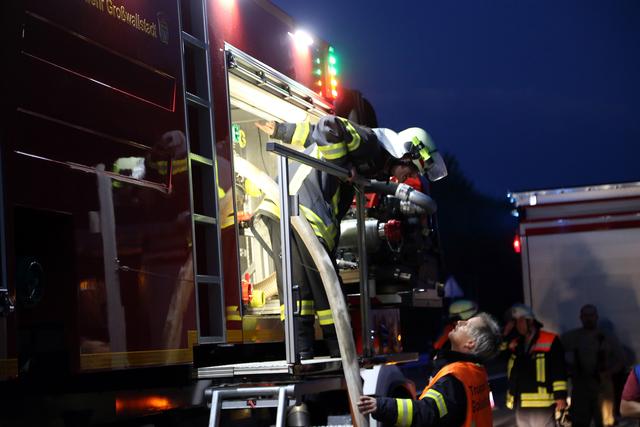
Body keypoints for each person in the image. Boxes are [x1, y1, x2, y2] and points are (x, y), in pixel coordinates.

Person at [255, 116, 447, 359]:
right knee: (327, 290)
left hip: (295, 208)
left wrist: (282, 130)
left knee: (302, 289)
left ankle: (305, 355)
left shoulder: (375, 164)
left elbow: (312, 134)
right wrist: (343, 166)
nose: (405, 177)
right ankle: (332, 354)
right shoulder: (371, 144)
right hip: (300, 207)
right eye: (410, 170)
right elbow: (327, 126)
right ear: (406, 155)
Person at [357, 312, 501, 426]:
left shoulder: (454, 378)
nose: (459, 322)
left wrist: (380, 405)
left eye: (466, 324)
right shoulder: (476, 372)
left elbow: (426, 412)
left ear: (470, 343)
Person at [503, 303, 568, 427]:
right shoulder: (516, 344)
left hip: (542, 404)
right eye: (515, 322)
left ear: (530, 321)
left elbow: (559, 369)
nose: (518, 325)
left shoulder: (550, 339)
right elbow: (499, 353)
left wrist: (560, 395)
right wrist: (505, 334)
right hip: (521, 403)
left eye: (520, 321)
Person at [562, 304, 626, 427]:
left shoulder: (607, 336)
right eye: (585, 316)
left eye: (591, 315)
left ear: (596, 317)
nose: (588, 318)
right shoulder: (572, 337)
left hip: (602, 387)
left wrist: (609, 372)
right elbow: (556, 354)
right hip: (581, 387)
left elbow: (622, 360)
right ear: (581, 318)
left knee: (606, 423)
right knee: (579, 423)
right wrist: (569, 368)